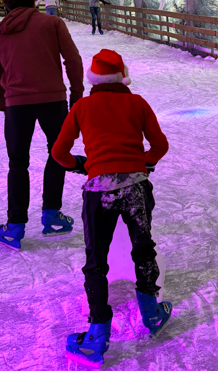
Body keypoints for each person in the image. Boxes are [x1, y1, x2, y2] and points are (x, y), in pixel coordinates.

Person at [51, 49, 172, 367]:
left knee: (96, 262)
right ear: (122, 76)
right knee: (143, 250)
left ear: (94, 80)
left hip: (98, 191)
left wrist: (81, 164)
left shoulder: (82, 106)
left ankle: (97, 335)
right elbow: (160, 145)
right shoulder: (137, 103)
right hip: (135, 187)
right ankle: (151, 313)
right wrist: (142, 162)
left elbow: (59, 152)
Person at [0, 0, 84, 250]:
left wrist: (4, 104)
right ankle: (51, 214)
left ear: (6, 5)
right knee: (57, 152)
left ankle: (15, 226)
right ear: (34, 1)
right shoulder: (52, 24)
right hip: (53, 101)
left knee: (18, 162)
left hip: (16, 105)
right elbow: (73, 60)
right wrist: (76, 94)